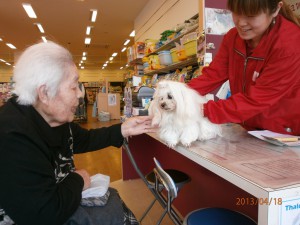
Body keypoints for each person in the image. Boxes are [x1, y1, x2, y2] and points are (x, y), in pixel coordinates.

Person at [0, 41, 157, 225]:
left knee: (113, 200)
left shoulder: (52, 118)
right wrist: (78, 179)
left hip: (59, 201)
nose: (81, 95)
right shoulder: (12, 136)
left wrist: (124, 128)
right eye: (74, 87)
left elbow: (85, 139)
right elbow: (43, 213)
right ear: (44, 93)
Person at [189, 0, 300, 135]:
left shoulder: (290, 44)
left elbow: (256, 100)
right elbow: (212, 75)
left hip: (284, 134)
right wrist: (175, 94)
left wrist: (198, 109)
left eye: (251, 15)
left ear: (276, 9)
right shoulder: (233, 38)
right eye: (236, 12)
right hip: (249, 129)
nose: (241, 23)